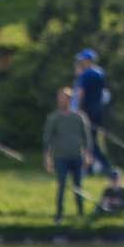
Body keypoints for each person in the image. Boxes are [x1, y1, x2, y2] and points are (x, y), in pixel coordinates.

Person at [43, 86, 95, 222]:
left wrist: (88, 155)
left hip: (77, 157)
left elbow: (87, 138)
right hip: (60, 157)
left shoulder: (79, 117)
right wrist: (47, 158)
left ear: (70, 100)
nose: (62, 100)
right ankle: (59, 215)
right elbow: (47, 139)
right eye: (60, 98)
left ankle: (81, 214)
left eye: (65, 98)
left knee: (78, 186)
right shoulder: (53, 118)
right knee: (62, 186)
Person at [72, 50, 115, 179]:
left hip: (87, 112)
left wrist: (77, 110)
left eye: (82, 60)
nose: (80, 62)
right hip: (98, 111)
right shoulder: (99, 72)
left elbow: (80, 93)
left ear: (88, 61)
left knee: (88, 141)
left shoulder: (86, 74)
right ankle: (90, 168)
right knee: (91, 140)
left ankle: (105, 166)